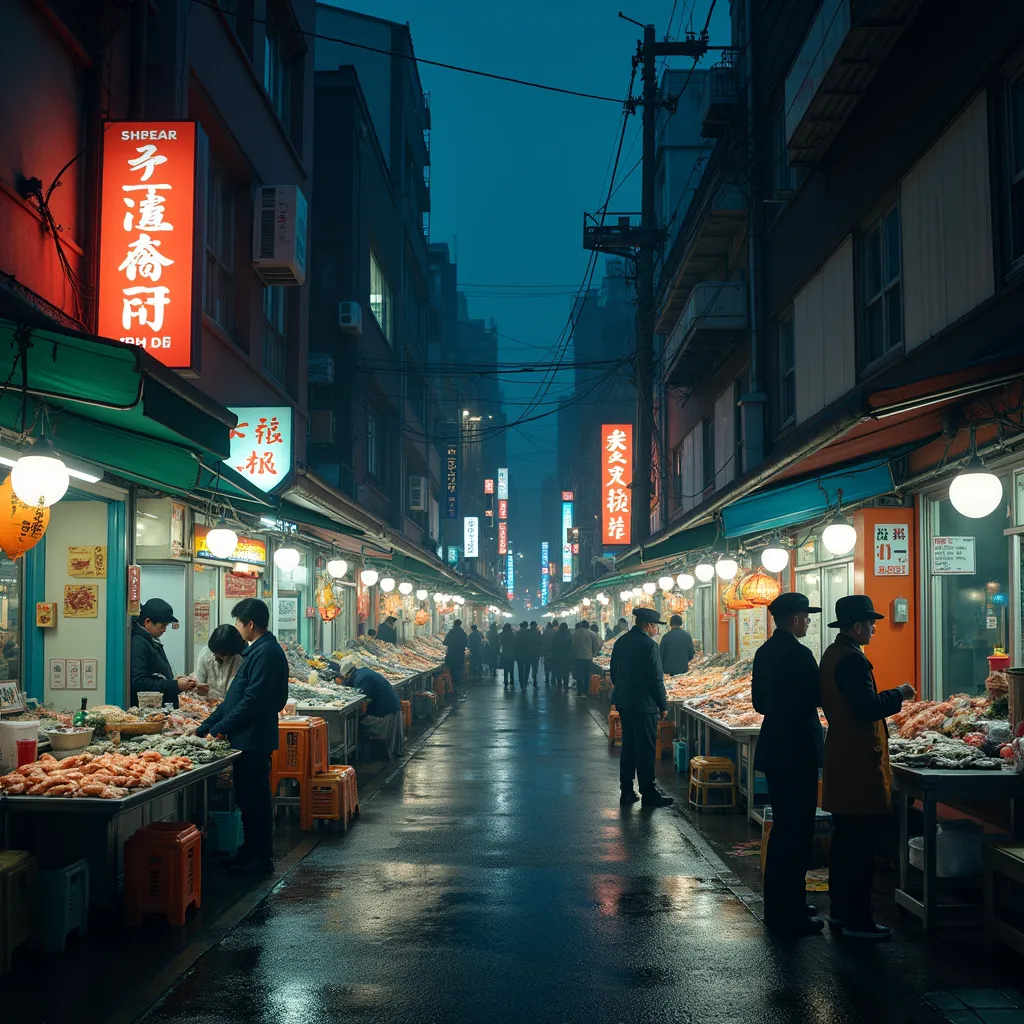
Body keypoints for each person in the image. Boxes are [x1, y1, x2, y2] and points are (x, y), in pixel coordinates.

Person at [820, 595, 915, 941]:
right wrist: (899, 694)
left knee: (845, 842)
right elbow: (866, 707)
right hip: (857, 761)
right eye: (871, 623)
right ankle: (858, 921)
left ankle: (841, 915)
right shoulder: (852, 661)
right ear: (858, 626)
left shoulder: (834, 654)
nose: (875, 628)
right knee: (859, 847)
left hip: (843, 756)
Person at [195, 599, 288, 873]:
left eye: (238, 621)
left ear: (250, 624)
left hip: (254, 738)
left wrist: (221, 728)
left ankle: (260, 858)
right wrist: (206, 725)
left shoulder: (266, 653)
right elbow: (234, 700)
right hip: (245, 737)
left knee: (256, 800)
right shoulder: (255, 652)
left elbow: (252, 701)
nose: (237, 627)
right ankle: (248, 851)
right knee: (247, 800)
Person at [752, 593, 825, 936]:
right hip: (798, 750)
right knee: (798, 833)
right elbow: (818, 697)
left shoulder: (764, 652)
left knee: (784, 829)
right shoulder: (800, 654)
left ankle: (780, 902)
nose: (808, 622)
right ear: (795, 619)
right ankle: (791, 912)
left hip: (774, 746)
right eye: (806, 617)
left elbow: (760, 703)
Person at [609, 608, 674, 808]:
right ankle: (648, 793)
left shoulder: (621, 642)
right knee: (645, 748)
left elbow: (613, 672)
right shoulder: (649, 646)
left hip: (625, 703)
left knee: (628, 746)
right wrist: (662, 704)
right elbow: (656, 679)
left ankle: (626, 791)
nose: (657, 630)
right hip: (644, 705)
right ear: (648, 625)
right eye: (656, 626)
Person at [130, 598, 195, 708]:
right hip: (149, 711)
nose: (164, 629)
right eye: (163, 625)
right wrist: (175, 685)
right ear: (147, 622)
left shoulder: (150, 640)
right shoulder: (139, 644)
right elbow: (140, 682)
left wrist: (173, 681)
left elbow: (154, 674)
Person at [339, 654, 404, 759]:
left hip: (384, 716)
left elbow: (363, 700)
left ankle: (357, 754)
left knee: (356, 724)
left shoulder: (363, 678)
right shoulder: (363, 673)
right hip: (390, 711)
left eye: (345, 678)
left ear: (348, 674)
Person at [195, 624, 246, 699]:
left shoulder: (240, 660)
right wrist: (200, 690)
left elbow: (240, 690)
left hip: (231, 704)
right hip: (207, 704)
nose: (225, 658)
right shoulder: (205, 655)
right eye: (222, 654)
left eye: (229, 655)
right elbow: (200, 683)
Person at [572, 621, 601, 695]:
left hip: (577, 657)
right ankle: (586, 690)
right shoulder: (591, 634)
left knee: (579, 674)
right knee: (587, 674)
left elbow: (572, 645)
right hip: (587, 657)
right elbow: (596, 645)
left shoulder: (575, 634)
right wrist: (594, 654)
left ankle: (579, 691)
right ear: (588, 626)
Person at [444, 618, 469, 696]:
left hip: (451, 654)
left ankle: (453, 687)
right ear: (460, 624)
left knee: (452, 670)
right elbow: (466, 644)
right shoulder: (463, 633)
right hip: (460, 655)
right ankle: (456, 687)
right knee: (458, 670)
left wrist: (451, 644)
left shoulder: (451, 632)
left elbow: (445, 642)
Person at [551, 622, 573, 692]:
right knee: (566, 672)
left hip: (557, 656)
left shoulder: (556, 635)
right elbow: (571, 647)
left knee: (558, 671)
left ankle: (559, 685)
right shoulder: (569, 635)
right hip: (566, 656)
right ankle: (566, 686)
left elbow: (553, 646)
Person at [514, 621, 532, 690]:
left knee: (520, 669)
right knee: (527, 669)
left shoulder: (518, 633)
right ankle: (525, 682)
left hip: (519, 654)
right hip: (528, 653)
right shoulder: (529, 633)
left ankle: (521, 683)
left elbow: (515, 644)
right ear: (527, 626)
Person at [498, 622, 517, 688]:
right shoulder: (512, 635)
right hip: (511, 653)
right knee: (511, 667)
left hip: (505, 653)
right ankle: (511, 679)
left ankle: (506, 681)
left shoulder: (502, 634)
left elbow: (500, 641)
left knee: (505, 668)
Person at [527, 621, 543, 686]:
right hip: (536, 652)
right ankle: (534, 678)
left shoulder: (527, 632)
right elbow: (541, 642)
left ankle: (526, 679)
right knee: (535, 666)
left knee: (527, 666)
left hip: (528, 652)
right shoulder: (538, 633)